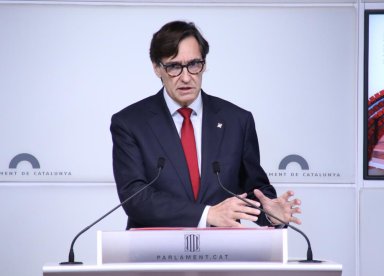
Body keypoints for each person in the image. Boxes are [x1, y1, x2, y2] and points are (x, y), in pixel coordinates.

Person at [110, 21, 301, 229]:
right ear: (157, 68)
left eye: (194, 64)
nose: (185, 77)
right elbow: (135, 198)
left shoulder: (237, 121)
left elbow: (253, 189)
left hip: (221, 253)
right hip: (154, 252)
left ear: (204, 64)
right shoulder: (130, 123)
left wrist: (271, 213)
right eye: (174, 66)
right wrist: (206, 214)